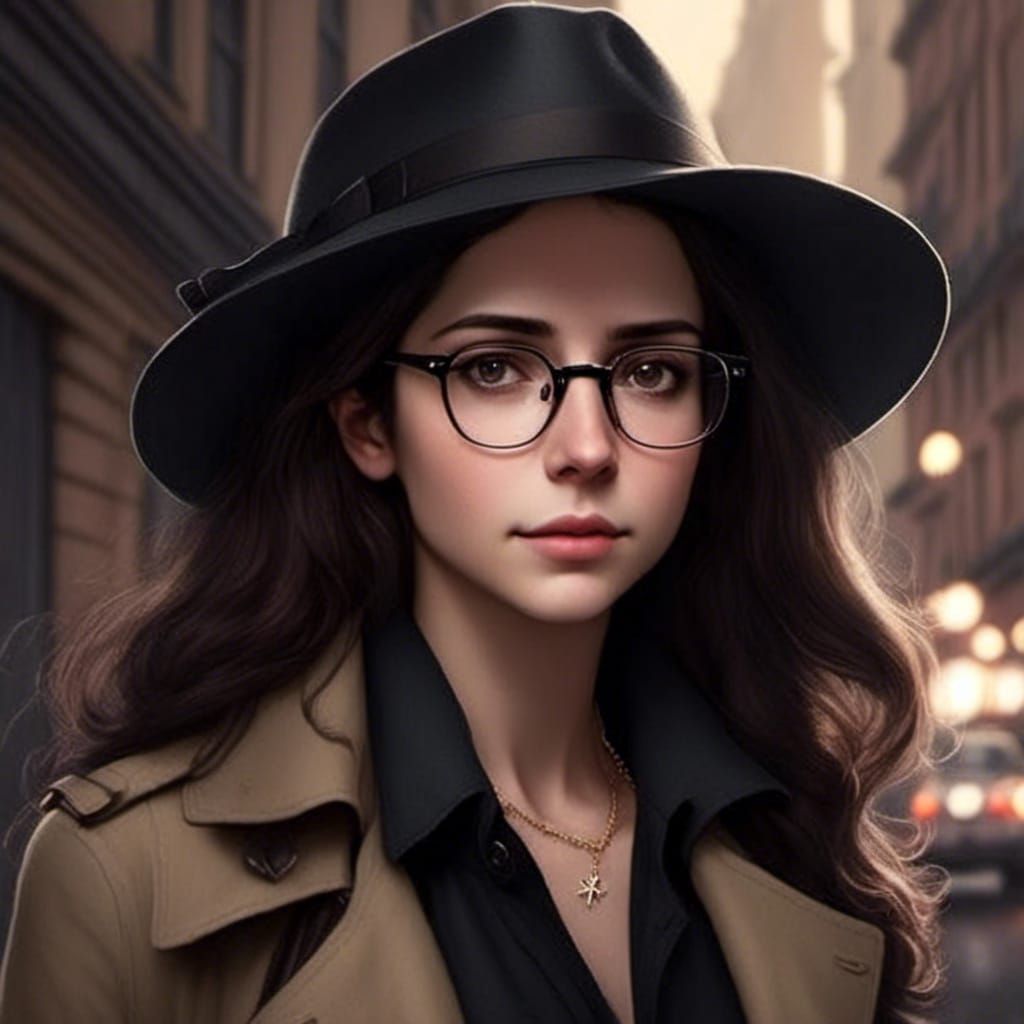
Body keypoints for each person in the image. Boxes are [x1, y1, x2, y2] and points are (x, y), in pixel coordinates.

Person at [0, 4, 954, 1023]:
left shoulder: (787, 837)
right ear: (367, 421)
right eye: (494, 367)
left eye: (649, 370)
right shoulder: (124, 880)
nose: (587, 446)